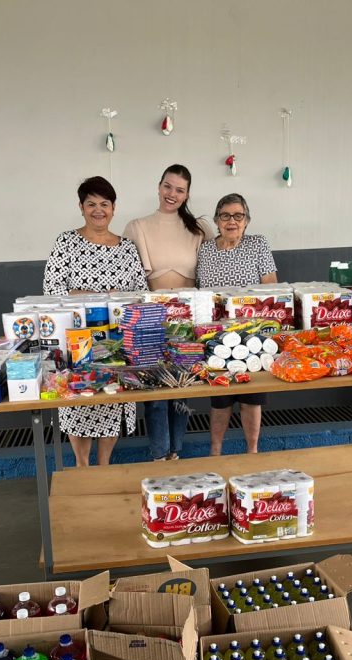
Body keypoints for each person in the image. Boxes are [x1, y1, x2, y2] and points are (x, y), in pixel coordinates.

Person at [43, 176, 147, 467]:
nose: (98, 210)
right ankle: (82, 465)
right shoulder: (66, 242)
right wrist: (98, 295)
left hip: (117, 341)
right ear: (81, 207)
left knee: (111, 398)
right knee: (79, 400)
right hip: (77, 340)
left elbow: (140, 293)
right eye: (91, 204)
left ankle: (104, 466)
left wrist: (112, 297)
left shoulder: (127, 248)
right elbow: (51, 290)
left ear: (114, 208)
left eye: (105, 204)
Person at [124, 164, 212, 461]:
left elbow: (210, 272)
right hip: (151, 321)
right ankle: (159, 456)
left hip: (187, 322)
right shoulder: (137, 226)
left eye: (179, 190)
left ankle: (176, 453)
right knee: (156, 393)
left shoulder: (199, 228)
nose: (172, 194)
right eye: (167, 186)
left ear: (187, 194)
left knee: (182, 389)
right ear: (158, 186)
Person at [197, 193, 279, 456]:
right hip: (216, 337)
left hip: (253, 335)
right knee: (220, 399)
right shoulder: (205, 250)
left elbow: (271, 288)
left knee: (251, 398)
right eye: (225, 216)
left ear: (247, 220)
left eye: (238, 216)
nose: (231, 221)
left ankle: (252, 452)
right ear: (216, 220)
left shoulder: (258, 244)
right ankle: (215, 452)